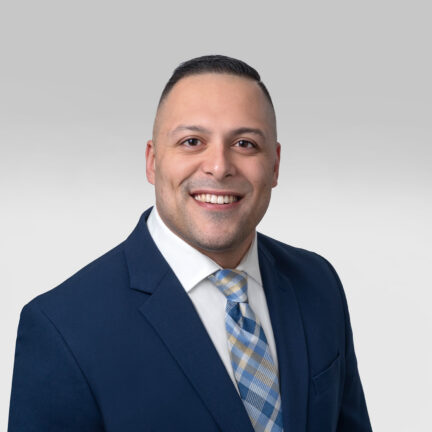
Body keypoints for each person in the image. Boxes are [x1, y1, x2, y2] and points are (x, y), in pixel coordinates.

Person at [8, 55, 372, 432]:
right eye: (192, 141)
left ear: (275, 165)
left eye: (245, 143)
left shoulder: (317, 282)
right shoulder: (62, 328)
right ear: (152, 161)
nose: (219, 166)